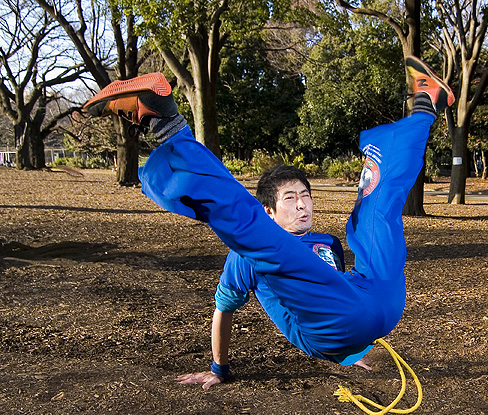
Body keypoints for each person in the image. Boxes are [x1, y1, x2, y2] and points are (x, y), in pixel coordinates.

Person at [83, 56, 454, 390]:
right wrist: (219, 367)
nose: (302, 205)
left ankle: (427, 104)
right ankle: (165, 123)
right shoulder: (249, 256)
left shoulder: (327, 241)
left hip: (382, 303)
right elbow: (223, 309)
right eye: (289, 199)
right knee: (261, 239)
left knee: (375, 213)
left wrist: (352, 347)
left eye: (306, 196)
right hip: (334, 319)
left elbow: (334, 296)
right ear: (271, 211)